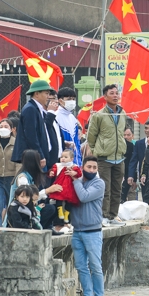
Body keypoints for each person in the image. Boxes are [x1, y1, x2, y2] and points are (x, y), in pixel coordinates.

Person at [68, 156, 107, 296]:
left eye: (94, 168)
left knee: (96, 267)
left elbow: (83, 197)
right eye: (89, 167)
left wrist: (76, 180)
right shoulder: (77, 182)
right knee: (81, 267)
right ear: (83, 167)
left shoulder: (99, 183)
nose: (91, 170)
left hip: (93, 232)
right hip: (77, 231)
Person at [87, 84, 127, 227]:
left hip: (120, 157)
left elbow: (121, 133)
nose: (116, 95)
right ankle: (103, 216)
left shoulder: (123, 113)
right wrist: (97, 150)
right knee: (105, 189)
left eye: (117, 93)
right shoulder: (99, 115)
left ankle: (113, 215)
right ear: (105, 97)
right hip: (104, 158)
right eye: (112, 93)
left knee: (117, 188)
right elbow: (91, 136)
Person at [8, 150, 64, 231]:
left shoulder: (30, 176)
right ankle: (38, 229)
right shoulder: (22, 178)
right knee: (49, 209)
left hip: (26, 209)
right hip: (19, 212)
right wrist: (47, 191)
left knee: (50, 207)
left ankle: (47, 229)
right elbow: (28, 196)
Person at [12, 80, 54, 170]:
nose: (48, 96)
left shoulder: (36, 108)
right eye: (46, 93)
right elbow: (31, 135)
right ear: (37, 94)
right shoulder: (30, 109)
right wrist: (40, 155)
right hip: (34, 158)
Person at [47, 149, 81, 226]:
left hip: (70, 188)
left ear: (72, 159)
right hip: (60, 186)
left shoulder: (74, 166)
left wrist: (74, 173)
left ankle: (66, 214)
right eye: (62, 157)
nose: (63, 158)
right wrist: (51, 173)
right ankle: (60, 211)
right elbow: (53, 171)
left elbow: (79, 174)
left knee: (69, 202)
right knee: (58, 198)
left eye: (66, 157)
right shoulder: (58, 165)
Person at [56, 87, 82, 165]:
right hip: (63, 162)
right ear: (60, 101)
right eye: (69, 99)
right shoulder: (56, 117)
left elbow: (77, 142)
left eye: (73, 99)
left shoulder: (72, 118)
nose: (72, 101)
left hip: (76, 161)